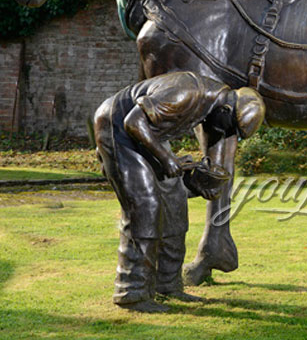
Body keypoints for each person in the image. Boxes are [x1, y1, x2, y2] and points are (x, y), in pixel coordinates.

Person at [93, 71, 265, 313]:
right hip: (118, 127)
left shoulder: (217, 105)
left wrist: (205, 181)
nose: (228, 135)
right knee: (146, 206)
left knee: (175, 203)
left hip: (149, 133)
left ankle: (168, 285)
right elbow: (133, 122)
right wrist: (166, 158)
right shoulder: (185, 93)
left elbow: (211, 157)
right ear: (226, 112)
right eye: (231, 129)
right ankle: (132, 292)